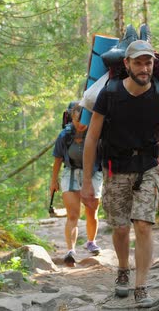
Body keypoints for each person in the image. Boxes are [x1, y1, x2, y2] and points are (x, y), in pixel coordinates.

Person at [81, 40, 159, 304]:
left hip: (147, 168)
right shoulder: (110, 95)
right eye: (138, 62)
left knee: (144, 226)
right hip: (115, 169)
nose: (144, 68)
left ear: (153, 64)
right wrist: (87, 183)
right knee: (121, 228)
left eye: (148, 63)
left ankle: (141, 286)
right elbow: (91, 139)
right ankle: (123, 269)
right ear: (126, 64)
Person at [50, 102, 103, 267]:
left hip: (93, 173)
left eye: (84, 120)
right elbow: (58, 158)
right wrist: (54, 181)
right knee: (72, 214)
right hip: (70, 173)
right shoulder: (64, 135)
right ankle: (70, 251)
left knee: (91, 212)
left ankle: (90, 241)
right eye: (77, 120)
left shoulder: (96, 134)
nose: (81, 124)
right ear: (71, 118)